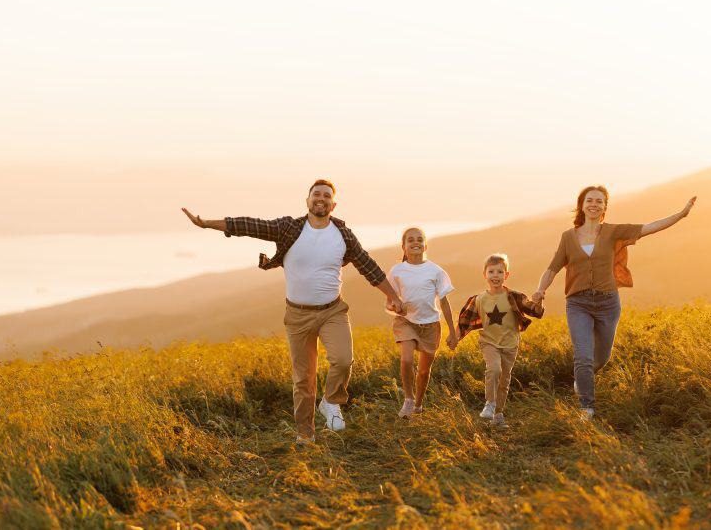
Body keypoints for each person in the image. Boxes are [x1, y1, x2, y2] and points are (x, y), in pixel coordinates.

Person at [181, 179, 404, 444]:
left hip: (333, 311)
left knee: (343, 360)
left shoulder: (343, 235)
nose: (320, 199)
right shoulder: (289, 228)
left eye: (326, 196)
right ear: (307, 200)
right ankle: (305, 434)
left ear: (333, 204)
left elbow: (368, 265)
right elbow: (249, 226)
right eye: (315, 195)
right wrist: (207, 224)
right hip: (297, 315)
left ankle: (331, 401)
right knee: (303, 379)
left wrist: (393, 296)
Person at [532, 185, 696, 421]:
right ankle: (586, 407)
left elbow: (649, 227)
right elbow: (552, 268)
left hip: (608, 303)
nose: (594, 204)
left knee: (602, 358)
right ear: (582, 205)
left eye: (599, 201)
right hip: (578, 303)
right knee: (583, 356)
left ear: (605, 207)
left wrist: (680, 214)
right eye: (590, 200)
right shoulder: (568, 237)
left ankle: (583, 378)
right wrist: (540, 290)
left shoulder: (613, 232)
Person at [454, 253, 544, 427]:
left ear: (506, 275)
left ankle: (498, 415)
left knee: (504, 380)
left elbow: (534, 310)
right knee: (493, 369)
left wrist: (539, 302)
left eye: (500, 272)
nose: (495, 275)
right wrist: (455, 339)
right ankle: (490, 403)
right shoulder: (479, 299)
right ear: (485, 275)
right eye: (491, 272)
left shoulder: (515, 297)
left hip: (510, 344)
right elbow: (464, 322)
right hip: (489, 342)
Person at [386, 227, 457, 418]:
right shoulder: (397, 270)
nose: (415, 242)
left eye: (419, 239)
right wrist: (396, 306)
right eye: (410, 240)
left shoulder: (436, 271)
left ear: (425, 245)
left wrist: (452, 331)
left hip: (430, 325)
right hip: (406, 322)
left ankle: (418, 405)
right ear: (404, 247)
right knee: (406, 360)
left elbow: (444, 302)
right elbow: (389, 300)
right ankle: (408, 399)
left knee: (424, 372)